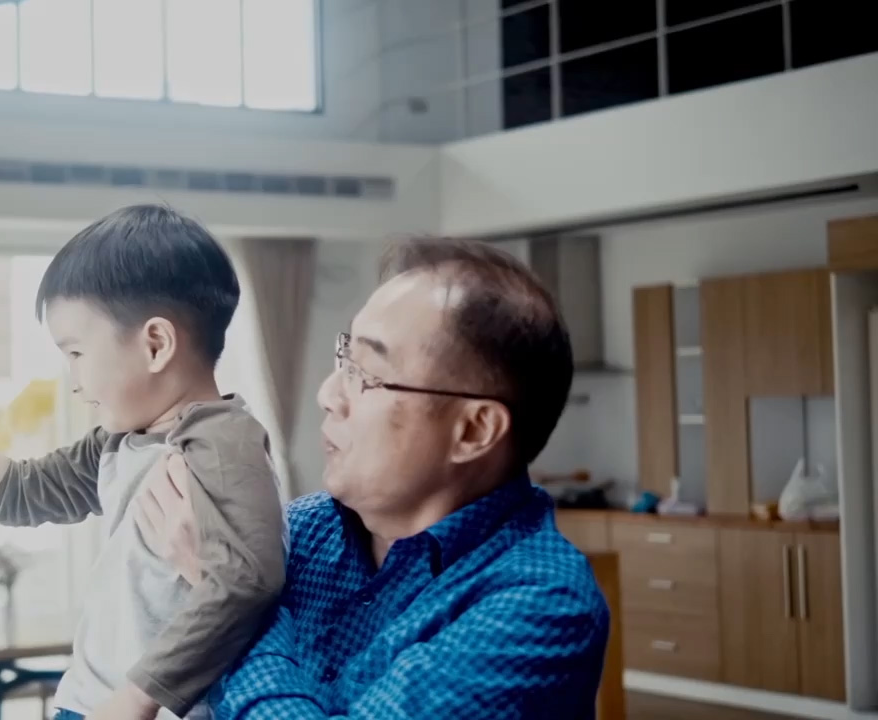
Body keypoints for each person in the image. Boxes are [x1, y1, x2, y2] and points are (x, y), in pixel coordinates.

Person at [0, 205, 286, 720]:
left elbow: (248, 579)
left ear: (156, 344)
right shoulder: (120, 441)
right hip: (86, 704)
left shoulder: (224, 442)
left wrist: (136, 699)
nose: (73, 380)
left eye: (76, 354)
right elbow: (17, 494)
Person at [135, 237, 611, 719]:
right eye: (345, 357)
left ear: (473, 430)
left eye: (368, 374)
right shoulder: (301, 531)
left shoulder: (540, 606)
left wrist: (229, 598)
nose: (327, 395)